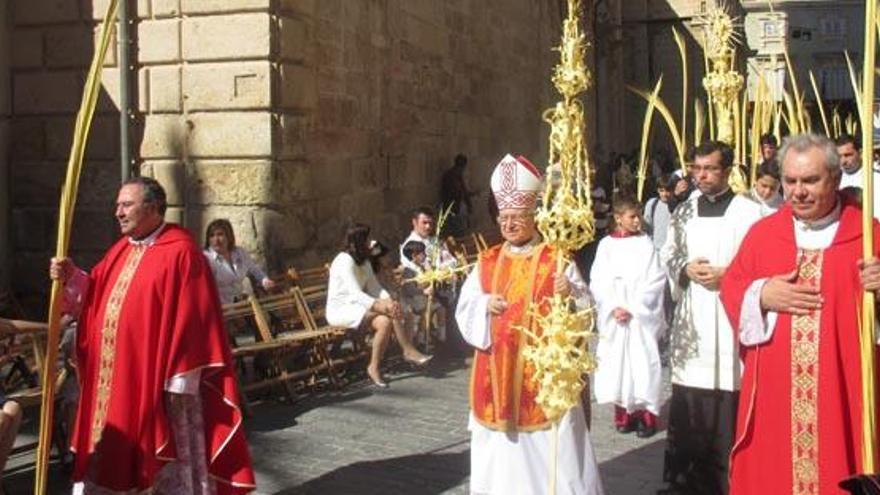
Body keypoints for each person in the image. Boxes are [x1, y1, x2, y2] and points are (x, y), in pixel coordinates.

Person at [49, 176, 254, 493]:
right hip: (116, 379)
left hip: (161, 380)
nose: (118, 212)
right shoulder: (119, 250)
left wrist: (180, 378)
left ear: (154, 207)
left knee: (162, 461)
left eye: (126, 204)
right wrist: (70, 276)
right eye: (117, 205)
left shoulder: (181, 252)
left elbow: (195, 318)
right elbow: (93, 295)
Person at [720, 134, 880, 494]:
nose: (798, 192)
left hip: (843, 394)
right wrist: (760, 293)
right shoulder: (763, 235)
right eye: (790, 181)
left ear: (836, 180)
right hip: (777, 399)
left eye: (810, 181)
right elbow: (733, 286)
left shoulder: (868, 236)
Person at [455, 153, 603, 494]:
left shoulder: (556, 257)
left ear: (533, 216)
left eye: (517, 217)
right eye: (504, 217)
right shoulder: (487, 260)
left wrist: (571, 292)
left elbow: (586, 311)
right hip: (497, 372)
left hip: (544, 377)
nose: (508, 224)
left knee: (552, 450)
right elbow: (465, 308)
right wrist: (484, 304)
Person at [658, 141, 763, 495]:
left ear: (728, 170)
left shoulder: (750, 213)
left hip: (731, 319)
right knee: (691, 402)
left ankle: (729, 482)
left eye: (709, 168)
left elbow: (763, 266)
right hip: (694, 321)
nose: (700, 175)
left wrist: (729, 276)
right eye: (696, 168)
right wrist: (684, 268)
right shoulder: (684, 212)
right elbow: (667, 254)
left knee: (728, 405)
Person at [590, 197, 666, 439]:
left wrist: (633, 306)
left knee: (642, 366)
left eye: (639, 215)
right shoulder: (606, 246)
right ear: (618, 218)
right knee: (618, 366)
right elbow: (598, 280)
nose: (637, 220)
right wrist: (613, 306)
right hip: (616, 317)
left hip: (639, 317)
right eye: (632, 216)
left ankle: (646, 416)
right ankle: (623, 415)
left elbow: (655, 280)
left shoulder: (646, 244)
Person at [326, 223, 431, 388]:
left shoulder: (364, 262)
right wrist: (381, 306)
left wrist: (389, 300)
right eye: (366, 240)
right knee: (388, 313)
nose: (370, 243)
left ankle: (373, 367)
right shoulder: (343, 261)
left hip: (358, 306)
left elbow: (375, 288)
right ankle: (407, 349)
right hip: (341, 310)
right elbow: (355, 293)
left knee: (385, 321)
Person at [203, 218, 276, 304]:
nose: (216, 240)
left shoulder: (239, 252)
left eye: (220, 234)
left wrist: (264, 280)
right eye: (212, 236)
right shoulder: (206, 258)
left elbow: (254, 269)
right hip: (220, 308)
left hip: (241, 303)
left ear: (229, 236)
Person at [399, 240, 446, 345]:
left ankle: (441, 335)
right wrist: (424, 291)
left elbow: (430, 280)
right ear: (414, 255)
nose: (425, 255)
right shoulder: (409, 270)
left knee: (441, 309)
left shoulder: (423, 268)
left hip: (425, 297)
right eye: (422, 253)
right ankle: (421, 337)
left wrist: (433, 278)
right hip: (414, 299)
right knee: (426, 312)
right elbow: (409, 289)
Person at [399, 206, 457, 273]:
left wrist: (447, 268)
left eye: (430, 223)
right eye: (424, 223)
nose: (428, 226)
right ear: (414, 222)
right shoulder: (407, 247)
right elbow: (414, 271)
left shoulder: (435, 241)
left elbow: (452, 261)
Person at [440, 153, 476, 237]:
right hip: (453, 210)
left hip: (457, 209)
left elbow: (462, 191)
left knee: (460, 232)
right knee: (456, 234)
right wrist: (470, 195)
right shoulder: (451, 176)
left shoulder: (457, 175)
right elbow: (457, 193)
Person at [644, 173, 675, 252]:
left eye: (667, 190)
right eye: (661, 190)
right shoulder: (652, 204)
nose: (664, 194)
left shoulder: (677, 206)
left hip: (673, 251)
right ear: (658, 190)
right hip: (656, 249)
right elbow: (647, 227)